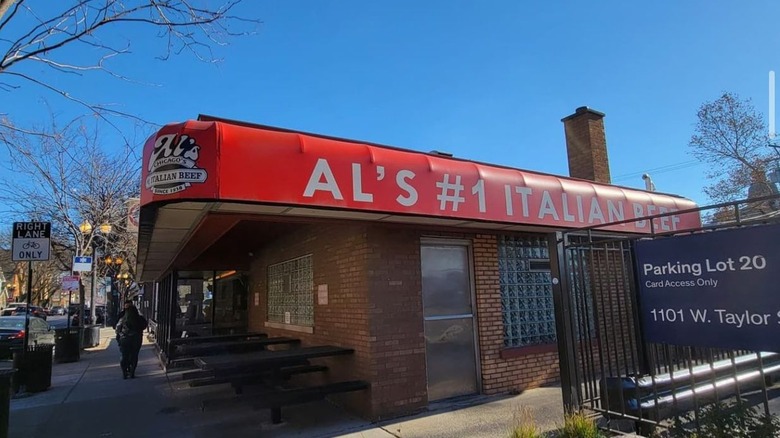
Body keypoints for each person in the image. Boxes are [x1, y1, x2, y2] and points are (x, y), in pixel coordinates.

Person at [115, 304, 147, 379]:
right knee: (134, 355)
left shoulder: (123, 319)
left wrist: (120, 335)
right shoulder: (139, 318)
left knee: (124, 356)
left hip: (125, 339)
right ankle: (132, 372)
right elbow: (144, 325)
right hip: (136, 339)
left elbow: (117, 329)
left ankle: (124, 373)